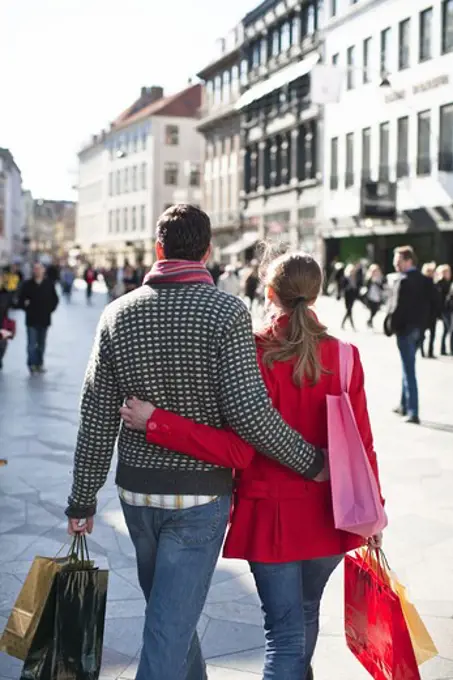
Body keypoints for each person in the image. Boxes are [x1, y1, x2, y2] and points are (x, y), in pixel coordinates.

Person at [65, 205, 326, 680]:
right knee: (169, 624)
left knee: (171, 616)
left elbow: (96, 415)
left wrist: (82, 499)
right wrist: (311, 461)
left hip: (137, 494)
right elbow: (250, 415)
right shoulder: (225, 312)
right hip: (199, 496)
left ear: (158, 247)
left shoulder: (117, 314)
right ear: (206, 252)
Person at [120, 251, 384, 680]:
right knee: (304, 615)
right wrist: (374, 512)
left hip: (270, 516)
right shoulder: (347, 356)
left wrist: (158, 422)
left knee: (283, 632)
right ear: (315, 294)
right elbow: (362, 446)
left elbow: (235, 449)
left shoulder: (253, 354)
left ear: (269, 292)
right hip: (330, 513)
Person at [385, 246, 430, 424]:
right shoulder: (426, 281)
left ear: (408, 261)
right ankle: (404, 404)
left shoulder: (403, 281)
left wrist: (390, 327)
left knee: (409, 369)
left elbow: (396, 309)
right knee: (408, 365)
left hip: (405, 331)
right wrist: (426, 326)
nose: (396, 265)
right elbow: (435, 305)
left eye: (398, 261)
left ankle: (413, 411)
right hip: (418, 330)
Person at [18, 262, 59, 374]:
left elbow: (55, 300)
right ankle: (31, 364)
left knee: (41, 344)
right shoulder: (27, 284)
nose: (37, 271)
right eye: (35, 269)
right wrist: (26, 307)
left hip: (44, 319)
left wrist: (49, 310)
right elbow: (20, 300)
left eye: (39, 269)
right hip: (31, 319)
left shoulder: (49, 284)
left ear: (43, 271)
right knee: (31, 344)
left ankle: (39, 364)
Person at [420, 262, 441, 359]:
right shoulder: (428, 283)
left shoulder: (433, 283)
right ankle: (426, 351)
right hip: (427, 312)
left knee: (428, 334)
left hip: (430, 312)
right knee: (427, 333)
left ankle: (427, 351)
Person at [435, 264, 452, 356]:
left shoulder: (447, 283)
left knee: (446, 330)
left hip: (446, 309)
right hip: (445, 309)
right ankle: (445, 349)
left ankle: (443, 349)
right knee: (449, 329)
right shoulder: (441, 283)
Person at [364, 264, 385, 328]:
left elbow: (382, 287)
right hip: (370, 297)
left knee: (375, 311)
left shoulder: (380, 278)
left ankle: (369, 321)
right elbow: (366, 287)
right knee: (372, 310)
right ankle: (370, 322)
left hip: (378, 297)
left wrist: (376, 282)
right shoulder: (369, 278)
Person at [341, 263, 359, 330]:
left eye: (353, 271)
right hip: (347, 297)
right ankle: (352, 326)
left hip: (352, 297)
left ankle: (344, 324)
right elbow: (343, 287)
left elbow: (356, 288)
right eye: (351, 271)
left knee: (349, 311)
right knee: (349, 311)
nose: (352, 272)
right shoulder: (346, 278)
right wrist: (349, 287)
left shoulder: (355, 278)